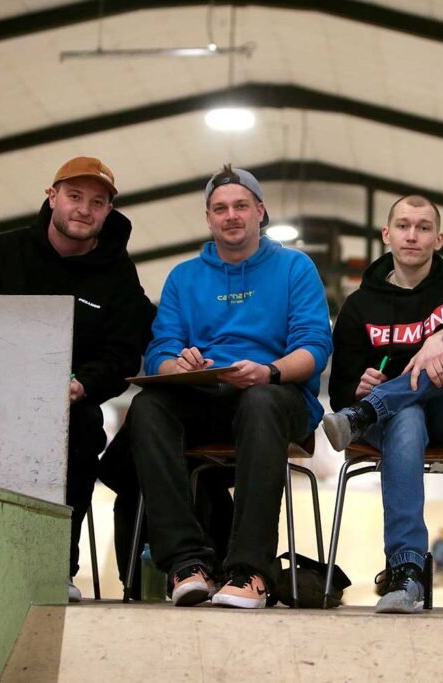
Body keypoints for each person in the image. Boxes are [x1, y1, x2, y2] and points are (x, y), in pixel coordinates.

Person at [129, 165, 332, 609]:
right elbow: (160, 348)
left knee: (260, 402)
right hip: (206, 395)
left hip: (278, 396)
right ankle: (186, 563)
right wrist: (177, 365)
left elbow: (315, 347)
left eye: (241, 205)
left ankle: (250, 570)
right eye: (220, 209)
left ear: (260, 211)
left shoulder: (295, 268)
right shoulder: (184, 276)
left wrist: (269, 371)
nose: (231, 215)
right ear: (208, 218)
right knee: (147, 407)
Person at [0, 156, 152, 602]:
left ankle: (54, 566)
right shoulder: (3, 252)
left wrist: (82, 386)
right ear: (52, 196)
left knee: (84, 428)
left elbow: (123, 354)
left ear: (108, 211)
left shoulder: (119, 274)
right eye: (74, 196)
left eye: (97, 202)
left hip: (69, 402)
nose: (84, 209)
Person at [323, 194, 443, 614]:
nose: (412, 235)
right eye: (403, 226)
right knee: (405, 414)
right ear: (387, 234)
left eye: (423, 228)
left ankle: (376, 407)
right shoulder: (359, 306)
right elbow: (340, 391)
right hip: (396, 426)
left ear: (438, 239)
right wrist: (359, 389)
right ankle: (407, 571)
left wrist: (440, 338)